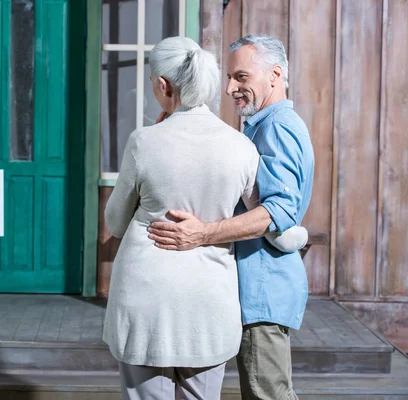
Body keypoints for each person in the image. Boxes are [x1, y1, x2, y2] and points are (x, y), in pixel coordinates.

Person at [102, 36, 307, 400]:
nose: (233, 87)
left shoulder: (143, 142)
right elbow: (271, 213)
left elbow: (116, 223)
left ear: (162, 85)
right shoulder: (243, 145)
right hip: (210, 301)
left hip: (146, 298)